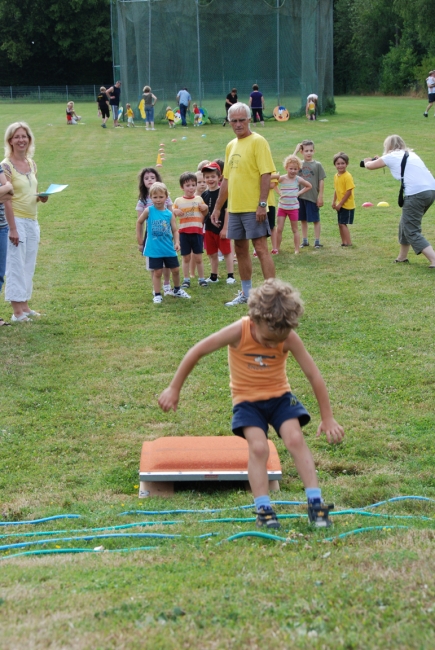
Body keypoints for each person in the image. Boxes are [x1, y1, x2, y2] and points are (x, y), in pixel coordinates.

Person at [159, 278, 344, 529]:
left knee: (295, 439)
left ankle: (315, 503)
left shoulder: (287, 335)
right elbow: (198, 350)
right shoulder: (239, 330)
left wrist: (328, 416)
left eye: (276, 340)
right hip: (247, 401)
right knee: (258, 448)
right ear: (255, 319)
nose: (271, 344)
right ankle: (263, 509)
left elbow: (314, 375)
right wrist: (174, 387)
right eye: (268, 339)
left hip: (279, 397)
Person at [210, 102, 276, 306]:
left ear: (249, 119)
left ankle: (272, 296)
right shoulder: (231, 146)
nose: (238, 124)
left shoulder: (258, 141)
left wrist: (262, 204)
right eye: (234, 121)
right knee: (240, 249)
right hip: (235, 207)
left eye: (241, 120)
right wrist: (218, 207)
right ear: (229, 122)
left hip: (254, 206)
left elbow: (266, 173)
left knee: (261, 248)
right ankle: (247, 294)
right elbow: (227, 180)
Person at [363, 135, 435, 267]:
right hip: (430, 191)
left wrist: (366, 161)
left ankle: (433, 259)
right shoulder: (411, 154)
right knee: (405, 224)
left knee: (411, 230)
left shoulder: (390, 157)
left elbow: (370, 166)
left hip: (416, 193)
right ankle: (402, 257)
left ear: (388, 146)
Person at [2, 122, 48, 322]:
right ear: (10, 141)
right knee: (15, 264)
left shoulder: (31, 163)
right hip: (16, 219)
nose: (21, 140)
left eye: (24, 136)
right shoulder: (5, 166)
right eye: (17, 137)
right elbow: (7, 198)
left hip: (32, 220)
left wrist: (41, 197)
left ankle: (25, 305)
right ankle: (17, 312)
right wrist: (12, 228)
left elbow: (30, 191)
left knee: (29, 263)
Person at [137, 182, 190, 303]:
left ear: (166, 197)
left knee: (175, 269)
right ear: (151, 198)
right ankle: (157, 294)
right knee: (157, 272)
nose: (158, 200)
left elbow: (175, 230)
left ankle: (177, 289)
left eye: (161, 197)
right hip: (154, 248)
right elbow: (139, 222)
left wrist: (177, 242)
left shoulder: (169, 214)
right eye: (155, 197)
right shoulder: (148, 211)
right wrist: (139, 239)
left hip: (168, 248)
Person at [136, 167, 173, 295]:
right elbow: (139, 221)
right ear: (143, 182)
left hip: (166, 234)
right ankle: (155, 288)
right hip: (151, 235)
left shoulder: (165, 197)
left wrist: (174, 234)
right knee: (154, 264)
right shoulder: (143, 200)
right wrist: (140, 241)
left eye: (152, 177)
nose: (150, 180)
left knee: (167, 263)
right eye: (146, 178)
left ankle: (167, 285)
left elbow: (171, 215)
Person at [201, 161, 235, 285]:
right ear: (204, 178)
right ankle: (213, 276)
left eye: (213, 176)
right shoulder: (204, 194)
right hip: (209, 229)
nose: (210, 179)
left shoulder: (223, 193)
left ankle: (230, 275)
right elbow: (204, 213)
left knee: (226, 252)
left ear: (219, 177)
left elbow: (227, 211)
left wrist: (225, 228)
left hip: (221, 228)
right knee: (212, 253)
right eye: (207, 177)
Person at [173, 172, 209, 288]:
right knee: (186, 257)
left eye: (193, 185)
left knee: (198, 257)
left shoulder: (199, 199)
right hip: (184, 233)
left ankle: (202, 278)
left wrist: (206, 208)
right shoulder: (178, 201)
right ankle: (186, 279)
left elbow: (205, 212)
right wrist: (175, 212)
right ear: (182, 187)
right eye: (188, 185)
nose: (191, 188)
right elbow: (171, 215)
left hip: (197, 232)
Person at [273, 155, 312, 255]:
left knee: (295, 229)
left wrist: (298, 193)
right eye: (291, 168)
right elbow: (273, 185)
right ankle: (276, 248)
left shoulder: (298, 179)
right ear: (286, 168)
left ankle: (296, 249)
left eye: (295, 169)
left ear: (298, 169)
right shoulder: (281, 178)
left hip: (293, 208)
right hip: (282, 207)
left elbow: (309, 186)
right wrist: (279, 193)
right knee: (279, 228)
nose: (293, 171)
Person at [293, 140, 326, 249]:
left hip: (312, 197)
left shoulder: (317, 165)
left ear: (314, 151)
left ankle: (317, 241)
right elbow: (290, 163)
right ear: (302, 152)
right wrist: (295, 151)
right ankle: (305, 240)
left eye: (311, 150)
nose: (309, 153)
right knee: (303, 220)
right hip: (300, 197)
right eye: (306, 151)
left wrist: (320, 196)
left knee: (315, 220)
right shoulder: (298, 164)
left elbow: (321, 180)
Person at [0, 165, 14, 326]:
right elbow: (7, 189)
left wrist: (7, 188)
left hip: (2, 227)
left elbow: (9, 193)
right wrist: (6, 186)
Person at [332, 152, 355, 247]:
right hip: (339, 204)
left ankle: (348, 243)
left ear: (347, 164)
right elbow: (336, 190)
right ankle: (344, 242)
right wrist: (334, 202)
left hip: (347, 205)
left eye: (343, 163)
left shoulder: (347, 176)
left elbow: (348, 192)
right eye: (338, 163)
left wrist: (340, 204)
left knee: (343, 223)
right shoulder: (336, 176)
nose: (340, 165)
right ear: (335, 165)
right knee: (340, 224)